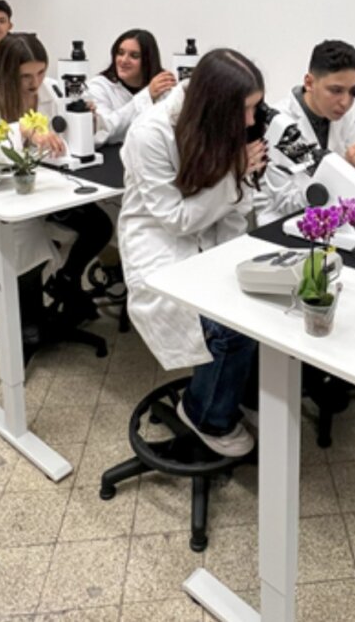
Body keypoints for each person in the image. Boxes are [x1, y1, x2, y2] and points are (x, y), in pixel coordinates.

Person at [118, 48, 268, 457]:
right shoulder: (150, 133)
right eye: (247, 110)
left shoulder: (220, 119)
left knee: (255, 308)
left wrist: (236, 262)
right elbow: (176, 220)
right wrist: (235, 174)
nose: (252, 121)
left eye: (256, 109)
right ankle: (204, 414)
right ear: (218, 104)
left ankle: (232, 393)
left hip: (210, 242)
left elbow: (236, 205)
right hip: (159, 248)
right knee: (227, 329)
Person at [0, 33, 112, 320]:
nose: (35, 83)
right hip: (6, 195)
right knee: (26, 249)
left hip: (48, 189)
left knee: (99, 226)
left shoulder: (50, 90)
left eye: (41, 72)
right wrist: (22, 129)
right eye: (25, 76)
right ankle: (30, 323)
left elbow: (67, 135)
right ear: (7, 72)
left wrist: (87, 118)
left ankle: (66, 280)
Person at [256, 39, 355, 225]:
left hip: (332, 221)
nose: (345, 102)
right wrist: (343, 168)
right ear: (309, 82)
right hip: (284, 225)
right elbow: (287, 204)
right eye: (336, 90)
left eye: (353, 92)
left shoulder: (341, 116)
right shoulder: (275, 127)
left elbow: (351, 195)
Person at [88, 29, 177, 147]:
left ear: (147, 61)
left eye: (134, 56)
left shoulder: (162, 85)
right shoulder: (99, 86)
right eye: (120, 53)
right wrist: (147, 96)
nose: (124, 60)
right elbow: (105, 130)